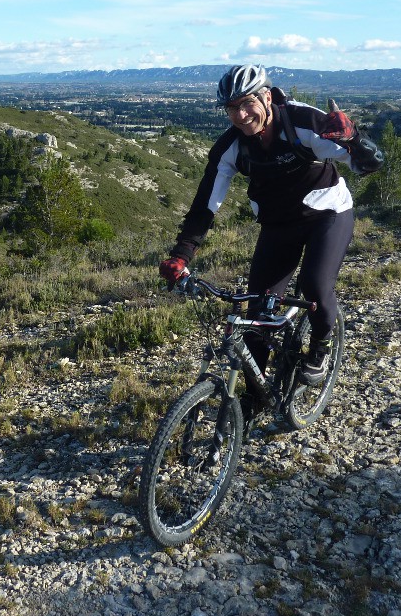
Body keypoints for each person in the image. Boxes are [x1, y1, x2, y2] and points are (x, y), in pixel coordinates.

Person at [159, 64, 383, 407]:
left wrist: (353, 137)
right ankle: (252, 405)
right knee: (259, 316)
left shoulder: (302, 122)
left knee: (315, 289)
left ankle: (320, 349)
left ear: (266, 96)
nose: (241, 114)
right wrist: (182, 255)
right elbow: (205, 205)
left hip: (327, 214)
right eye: (232, 108)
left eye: (247, 103)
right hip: (278, 225)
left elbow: (368, 164)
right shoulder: (231, 148)